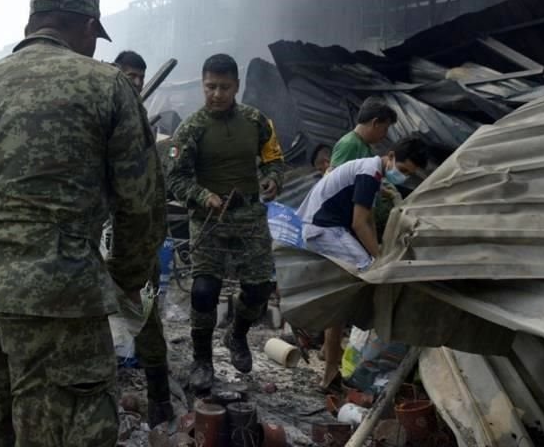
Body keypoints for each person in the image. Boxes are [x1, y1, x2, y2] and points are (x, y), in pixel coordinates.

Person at [0, 0, 167, 447]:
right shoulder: (108, 85)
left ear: (32, 24)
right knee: (66, 428)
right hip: (60, 294)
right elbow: (142, 204)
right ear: (89, 27)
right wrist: (126, 277)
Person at [166, 54, 285, 392]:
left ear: (237, 86)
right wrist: (202, 195)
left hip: (249, 216)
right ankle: (202, 360)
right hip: (209, 219)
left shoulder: (256, 121)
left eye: (224, 87)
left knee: (259, 288)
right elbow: (175, 177)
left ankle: (237, 335)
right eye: (210, 87)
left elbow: (274, 159)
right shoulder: (190, 129)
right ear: (203, 85)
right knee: (204, 291)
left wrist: (273, 179)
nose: (216, 94)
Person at [295, 153, 401, 391]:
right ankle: (314, 328)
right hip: (323, 228)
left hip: (327, 228)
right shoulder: (369, 172)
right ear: (391, 156)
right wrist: (378, 260)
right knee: (371, 273)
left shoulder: (371, 173)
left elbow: (368, 220)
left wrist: (377, 254)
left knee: (341, 302)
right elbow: (359, 223)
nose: (402, 175)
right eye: (403, 168)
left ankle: (330, 371)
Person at [110, 48, 173, 427]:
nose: (135, 82)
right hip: (102, 241)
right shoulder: (103, 118)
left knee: (147, 320)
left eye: (139, 76)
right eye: (128, 75)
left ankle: (160, 399)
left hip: (140, 244)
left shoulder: (141, 124)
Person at [329, 97, 398, 169]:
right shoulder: (349, 144)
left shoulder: (364, 145)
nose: (385, 134)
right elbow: (334, 174)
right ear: (375, 123)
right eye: (385, 128)